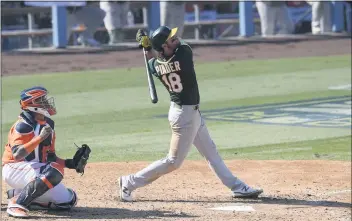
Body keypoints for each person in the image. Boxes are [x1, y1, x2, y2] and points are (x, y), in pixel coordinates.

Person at [118, 26, 263, 202]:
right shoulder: (184, 54)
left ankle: (237, 187)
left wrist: (147, 47)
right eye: (171, 39)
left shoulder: (156, 66)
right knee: (173, 162)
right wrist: (150, 46)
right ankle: (129, 182)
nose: (176, 39)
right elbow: (173, 50)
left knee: (211, 153)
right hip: (184, 117)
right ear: (164, 46)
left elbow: (151, 61)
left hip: (186, 113)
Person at [2, 86, 82, 218]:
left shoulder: (48, 125)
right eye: (41, 100)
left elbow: (50, 158)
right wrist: (39, 138)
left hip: (35, 171)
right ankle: (17, 204)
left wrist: (71, 163)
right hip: (14, 168)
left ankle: (22, 193)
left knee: (68, 200)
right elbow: (17, 154)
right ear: (32, 105)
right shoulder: (23, 125)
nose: (46, 102)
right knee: (54, 170)